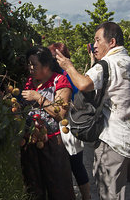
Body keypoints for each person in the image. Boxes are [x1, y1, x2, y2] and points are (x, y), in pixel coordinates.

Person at [56, 22, 130, 200]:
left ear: (111, 42)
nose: (94, 45)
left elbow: (83, 84)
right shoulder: (127, 61)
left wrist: (68, 67)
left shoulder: (108, 64)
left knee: (110, 193)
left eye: (98, 40)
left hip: (114, 141)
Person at [21, 46, 76, 200]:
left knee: (59, 188)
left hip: (53, 143)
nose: (30, 68)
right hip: (31, 142)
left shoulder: (60, 81)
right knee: (34, 187)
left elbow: (60, 113)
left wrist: (38, 97)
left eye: (34, 64)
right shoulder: (30, 82)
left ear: (46, 65)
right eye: (29, 64)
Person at [48, 42, 90, 200]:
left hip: (68, 124)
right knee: (70, 164)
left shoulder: (66, 76)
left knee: (75, 164)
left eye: (54, 57)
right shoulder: (56, 75)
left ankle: (86, 196)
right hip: (61, 124)